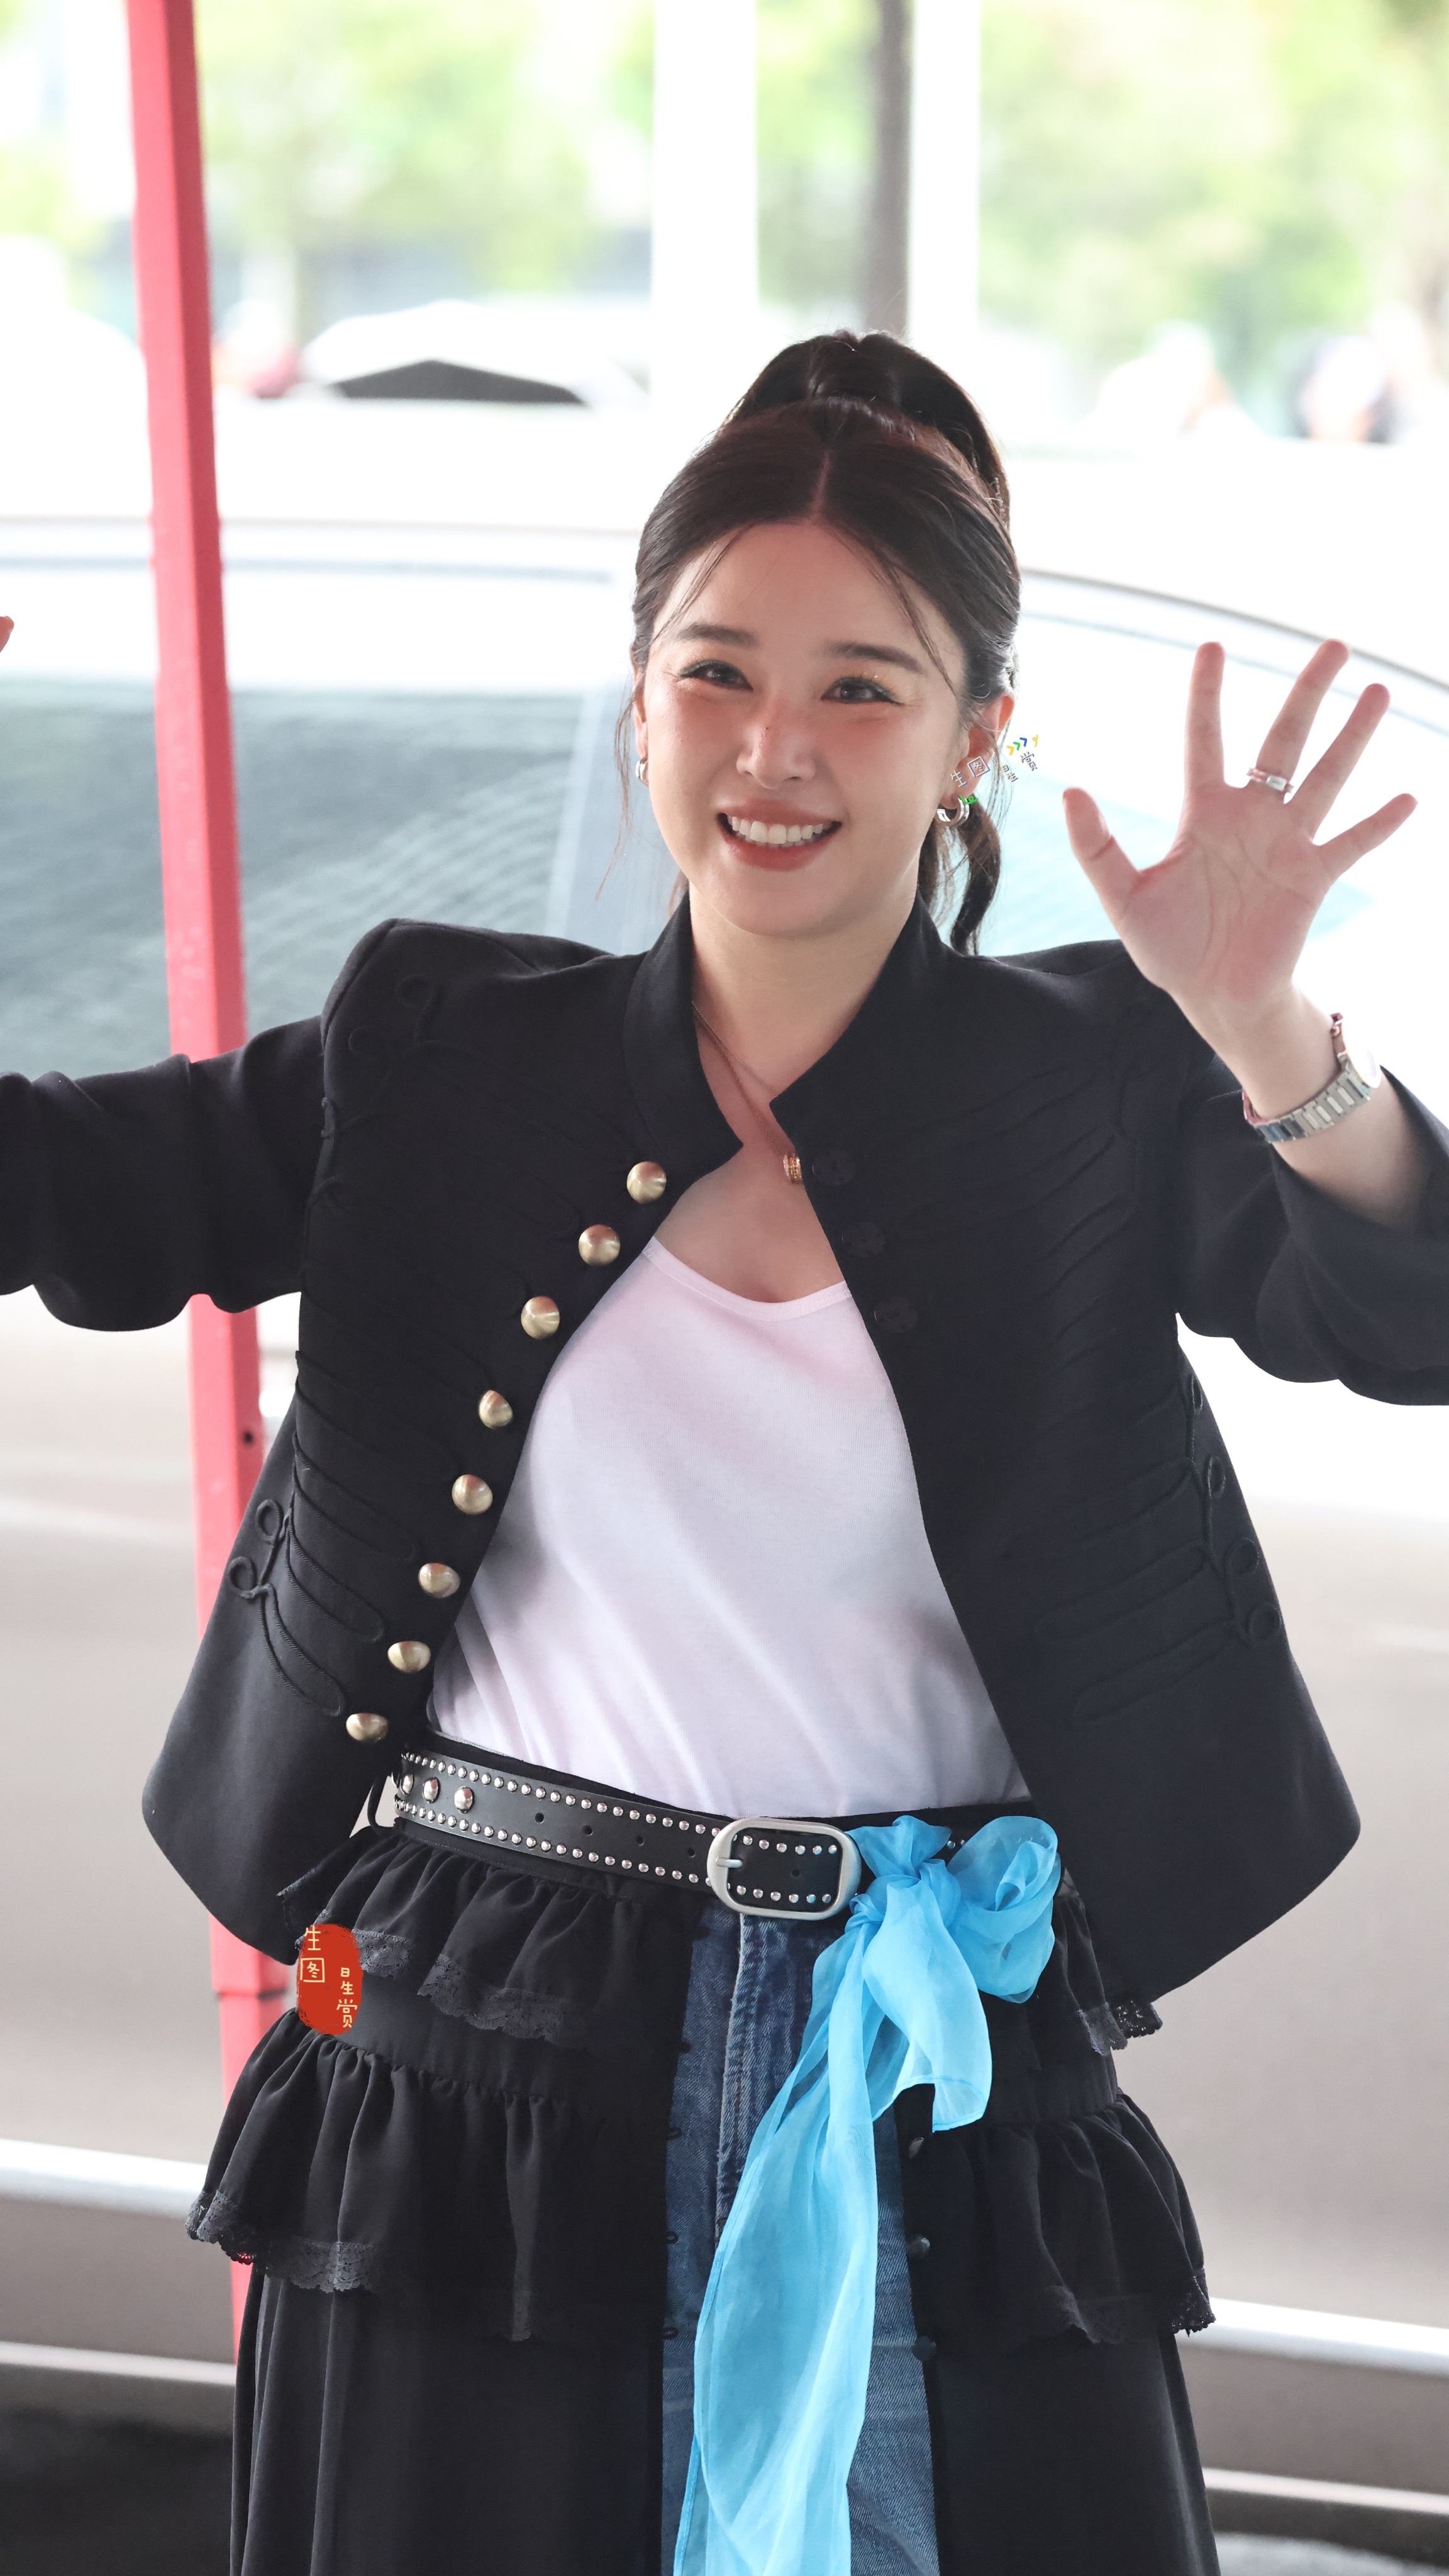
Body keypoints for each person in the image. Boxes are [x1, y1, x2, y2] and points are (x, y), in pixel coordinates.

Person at [11, 331, 1448, 2576]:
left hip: (932, 2049)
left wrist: (1267, 1023)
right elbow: (45, 1188)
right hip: (463, 2040)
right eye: (718, 672)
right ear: (640, 699)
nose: (777, 748)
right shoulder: (435, 1051)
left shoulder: (1097, 1081)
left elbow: (1405, 1313)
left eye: (864, 688)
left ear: (979, 735)